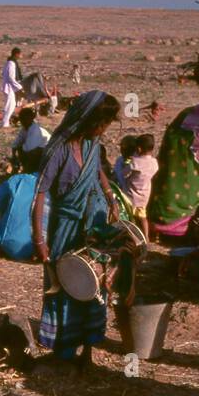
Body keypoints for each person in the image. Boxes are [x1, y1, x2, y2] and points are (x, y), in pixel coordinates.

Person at [31, 90, 122, 371]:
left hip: (93, 226)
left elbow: (96, 170)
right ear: (87, 119)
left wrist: (110, 196)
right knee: (65, 285)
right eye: (101, 123)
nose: (103, 129)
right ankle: (63, 350)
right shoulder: (59, 148)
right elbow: (41, 192)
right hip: (66, 229)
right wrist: (40, 237)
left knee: (94, 285)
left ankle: (88, 349)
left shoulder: (93, 144)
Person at [149, 94, 199, 237]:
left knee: (170, 181)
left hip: (174, 149)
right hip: (190, 151)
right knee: (191, 186)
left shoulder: (193, 110)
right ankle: (177, 227)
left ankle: (160, 222)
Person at [0, 169, 39, 261]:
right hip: (43, 248)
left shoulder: (15, 180)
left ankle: (4, 237)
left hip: (9, 245)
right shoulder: (56, 182)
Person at [118, 133, 159, 240]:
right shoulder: (154, 162)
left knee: (130, 217)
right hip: (144, 194)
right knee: (143, 217)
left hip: (131, 195)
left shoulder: (135, 162)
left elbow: (124, 174)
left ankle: (131, 235)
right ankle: (146, 236)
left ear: (139, 149)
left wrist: (125, 166)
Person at [11, 106, 50, 174]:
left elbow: (28, 148)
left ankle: (31, 170)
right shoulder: (25, 128)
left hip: (46, 152)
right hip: (38, 149)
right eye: (22, 118)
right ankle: (26, 169)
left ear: (31, 118)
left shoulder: (35, 129)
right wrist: (13, 154)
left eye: (26, 118)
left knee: (29, 153)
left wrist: (18, 152)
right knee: (21, 149)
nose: (24, 120)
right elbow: (17, 141)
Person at [1, 48, 23, 128]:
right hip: (9, 87)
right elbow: (11, 77)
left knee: (11, 105)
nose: (21, 56)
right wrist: (20, 87)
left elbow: (3, 74)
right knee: (9, 105)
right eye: (20, 54)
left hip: (9, 86)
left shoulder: (10, 62)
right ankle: (4, 123)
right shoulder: (11, 63)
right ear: (16, 54)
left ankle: (5, 122)